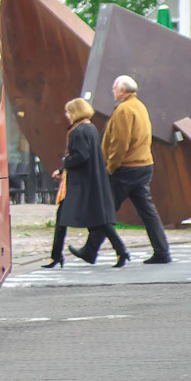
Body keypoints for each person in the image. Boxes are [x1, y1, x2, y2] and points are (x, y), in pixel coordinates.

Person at [101, 74, 171, 264]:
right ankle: (162, 251)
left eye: (115, 89)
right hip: (142, 165)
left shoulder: (125, 109)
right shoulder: (139, 106)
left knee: (105, 209)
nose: (113, 92)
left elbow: (120, 142)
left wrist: (111, 166)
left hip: (127, 168)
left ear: (122, 91)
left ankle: (92, 249)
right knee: (147, 211)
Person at [51, 97, 129, 268]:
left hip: (81, 184)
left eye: (69, 112)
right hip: (92, 180)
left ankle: (56, 256)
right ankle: (121, 251)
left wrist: (65, 162)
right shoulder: (90, 127)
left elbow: (81, 156)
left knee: (64, 217)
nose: (67, 115)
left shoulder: (78, 131)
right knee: (100, 220)